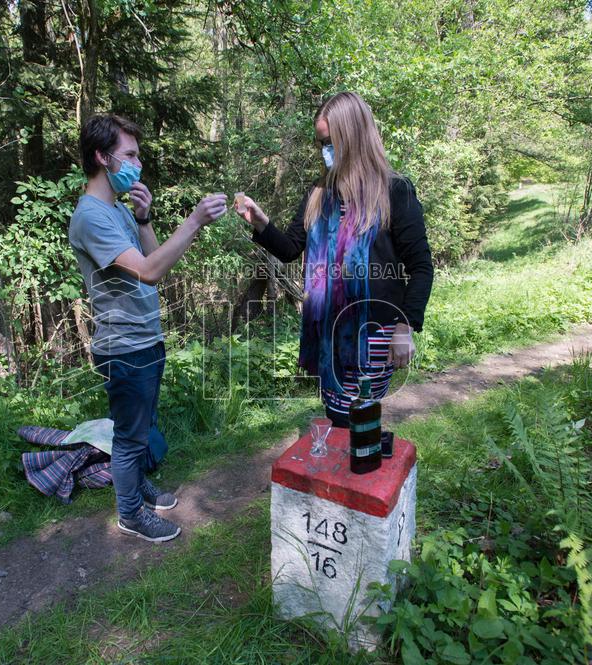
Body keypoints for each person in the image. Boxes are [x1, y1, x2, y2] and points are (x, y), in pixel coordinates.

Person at [68, 114, 228, 542]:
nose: (138, 164)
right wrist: (194, 221)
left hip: (145, 337)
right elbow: (151, 271)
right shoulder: (90, 217)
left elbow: (155, 263)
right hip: (122, 345)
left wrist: (143, 218)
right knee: (129, 435)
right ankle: (130, 514)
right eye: (131, 155)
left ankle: (138, 487)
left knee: (142, 427)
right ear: (102, 157)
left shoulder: (117, 210)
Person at [237, 92, 434, 427]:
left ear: (353, 137)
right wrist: (261, 223)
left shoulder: (393, 190)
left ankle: (356, 458)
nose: (324, 151)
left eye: (330, 142)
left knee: (352, 417)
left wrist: (405, 327)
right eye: (321, 143)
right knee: (346, 419)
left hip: (374, 331)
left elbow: (421, 267)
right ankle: (356, 458)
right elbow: (290, 248)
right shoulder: (319, 192)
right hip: (327, 333)